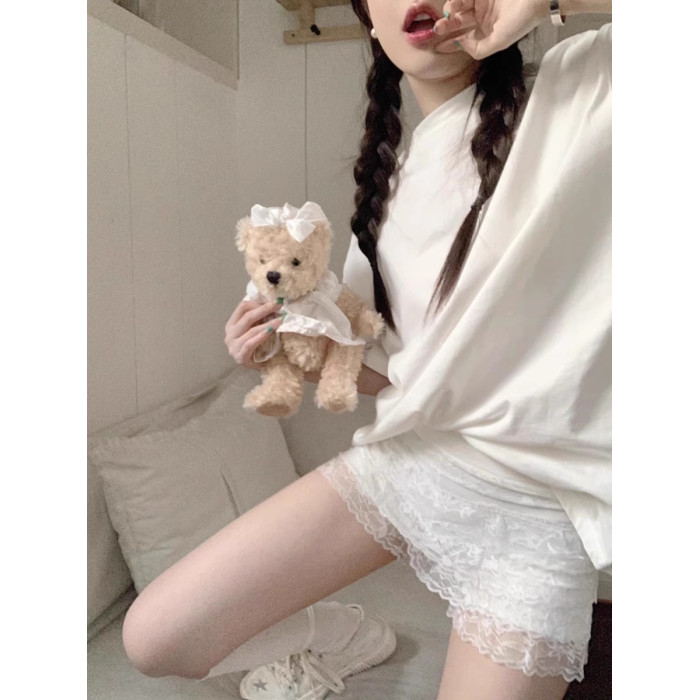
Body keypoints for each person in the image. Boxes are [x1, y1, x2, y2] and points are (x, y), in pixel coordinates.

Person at [121, 1, 612, 699]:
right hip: (411, 467)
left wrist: (541, 3)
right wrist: (281, 350)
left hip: (538, 520)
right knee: (155, 637)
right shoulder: (385, 197)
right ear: (371, 25)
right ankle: (340, 633)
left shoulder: (582, 88)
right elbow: (389, 376)